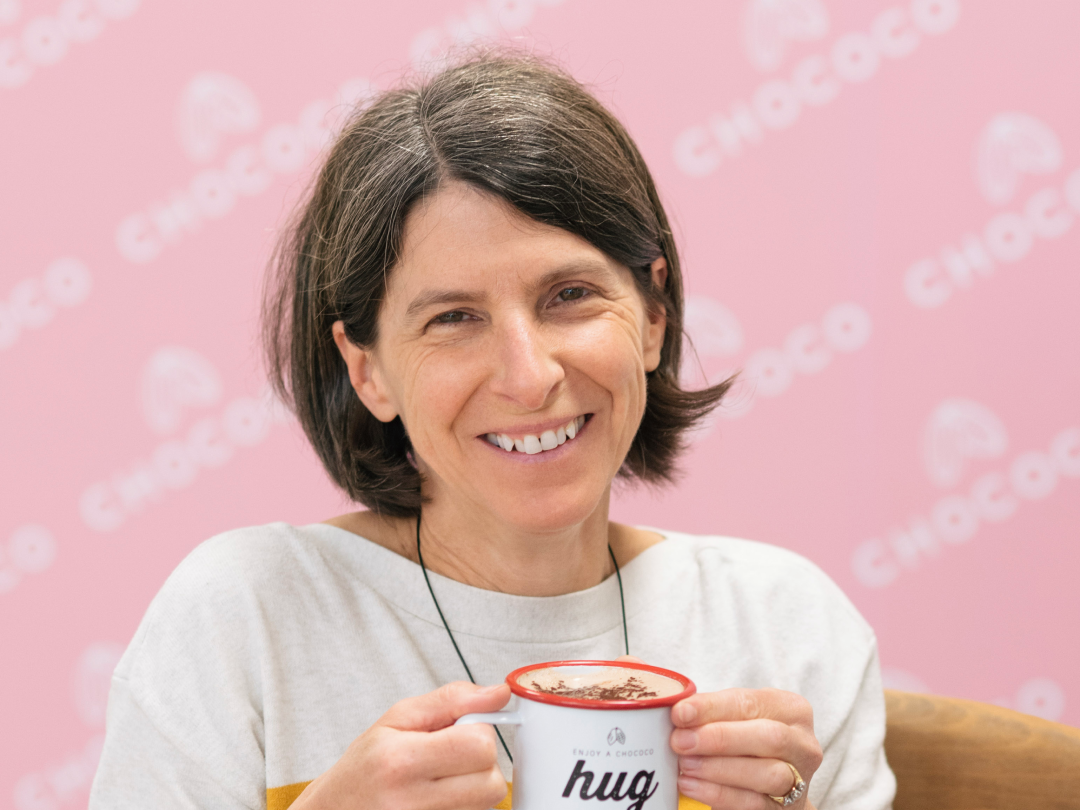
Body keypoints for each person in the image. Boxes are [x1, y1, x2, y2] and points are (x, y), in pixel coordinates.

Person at [90, 53, 896, 810]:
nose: (527, 374)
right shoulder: (242, 619)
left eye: (570, 295)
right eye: (453, 318)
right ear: (366, 368)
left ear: (652, 315)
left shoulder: (788, 626)